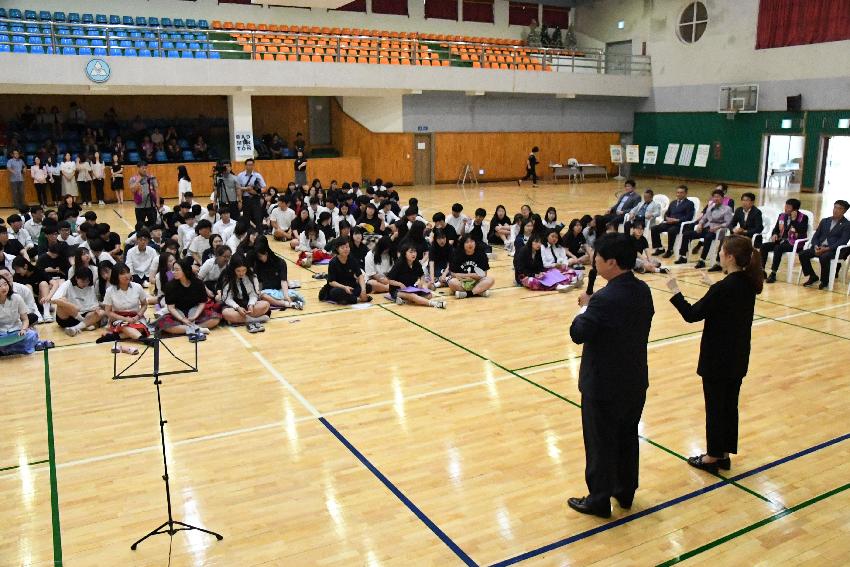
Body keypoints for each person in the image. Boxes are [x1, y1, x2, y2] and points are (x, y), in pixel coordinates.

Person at [567, 233, 654, 518]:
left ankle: (599, 499)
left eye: (599, 259)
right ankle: (625, 491)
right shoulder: (643, 291)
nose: (595, 262)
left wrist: (585, 306)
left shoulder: (604, 299)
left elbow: (578, 333)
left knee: (600, 442)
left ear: (612, 263)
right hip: (634, 379)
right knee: (627, 437)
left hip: (603, 384)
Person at [667, 235, 763, 473]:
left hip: (717, 358)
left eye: (721, 251)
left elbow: (691, 314)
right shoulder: (747, 283)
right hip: (738, 356)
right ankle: (724, 453)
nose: (719, 254)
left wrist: (675, 291)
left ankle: (712, 457)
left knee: (715, 407)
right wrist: (712, 286)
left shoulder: (724, 288)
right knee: (729, 406)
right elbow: (726, 303)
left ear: (729, 256)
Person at [157, 257, 221, 341]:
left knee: (216, 318)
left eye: (176, 270)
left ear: (185, 270)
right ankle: (196, 329)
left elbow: (202, 302)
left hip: (194, 311)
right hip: (178, 312)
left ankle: (189, 328)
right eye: (173, 270)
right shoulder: (170, 286)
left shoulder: (198, 283)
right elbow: (171, 308)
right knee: (163, 323)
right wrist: (182, 319)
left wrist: (195, 316)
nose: (173, 272)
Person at [797, 199, 850, 289]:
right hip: (819, 247)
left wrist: (827, 249)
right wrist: (816, 246)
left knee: (824, 257)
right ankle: (812, 276)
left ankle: (824, 281)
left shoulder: (847, 224)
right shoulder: (825, 221)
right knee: (803, 254)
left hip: (833, 249)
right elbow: (816, 236)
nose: (836, 210)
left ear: (844, 211)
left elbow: (843, 241)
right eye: (835, 207)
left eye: (839, 208)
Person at [675, 189, 733, 268]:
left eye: (718, 197)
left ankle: (702, 260)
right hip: (706, 228)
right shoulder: (710, 207)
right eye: (714, 197)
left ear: (722, 198)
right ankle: (683, 256)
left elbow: (728, 222)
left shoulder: (727, 209)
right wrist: (700, 224)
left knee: (708, 237)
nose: (716, 199)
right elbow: (704, 218)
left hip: (717, 231)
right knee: (686, 234)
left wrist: (717, 227)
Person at [707, 192, 764, 271]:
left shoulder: (757, 212)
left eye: (747, 200)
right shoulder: (739, 210)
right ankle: (719, 263)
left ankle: (738, 266)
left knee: (737, 244)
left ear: (752, 202)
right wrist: (733, 230)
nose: (744, 202)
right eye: (743, 200)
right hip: (739, 235)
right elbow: (731, 224)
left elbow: (759, 228)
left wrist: (745, 231)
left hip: (750, 236)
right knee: (725, 239)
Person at [98, 262, 151, 347]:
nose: (127, 275)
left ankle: (113, 337)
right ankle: (144, 340)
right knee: (125, 326)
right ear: (116, 276)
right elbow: (108, 312)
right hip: (118, 318)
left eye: (128, 272)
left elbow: (144, 304)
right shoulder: (110, 290)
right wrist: (124, 318)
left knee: (140, 328)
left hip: (135, 316)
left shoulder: (137, 287)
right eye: (122, 273)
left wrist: (137, 316)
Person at [0, 276, 52, 356]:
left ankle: (7, 350)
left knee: (31, 334)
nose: (4, 288)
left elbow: (25, 319)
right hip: (2, 334)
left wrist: (24, 329)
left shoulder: (16, 298)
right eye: (0, 286)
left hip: (16, 331)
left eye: (5, 284)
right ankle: (33, 345)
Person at [760, 198, 808, 284]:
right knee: (764, 246)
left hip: (795, 244)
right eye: (785, 206)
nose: (785, 208)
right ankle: (762, 271)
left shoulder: (803, 218)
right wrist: (774, 234)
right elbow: (776, 229)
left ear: (795, 210)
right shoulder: (782, 215)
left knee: (778, 248)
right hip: (782, 241)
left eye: (788, 207)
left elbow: (802, 230)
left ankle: (773, 273)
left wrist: (793, 220)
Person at [219, 254, 271, 333]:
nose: (241, 273)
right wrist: (237, 308)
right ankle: (255, 320)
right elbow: (227, 298)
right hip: (234, 306)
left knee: (266, 304)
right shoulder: (227, 276)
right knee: (226, 313)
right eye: (238, 271)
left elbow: (253, 294)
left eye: (244, 270)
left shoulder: (250, 275)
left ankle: (241, 320)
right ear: (233, 269)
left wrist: (251, 304)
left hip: (247, 303)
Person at [386, 244, 447, 309]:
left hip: (410, 288)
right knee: (412, 296)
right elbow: (388, 280)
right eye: (411, 252)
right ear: (405, 253)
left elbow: (422, 275)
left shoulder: (416, 263)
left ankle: (405, 301)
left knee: (429, 295)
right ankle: (435, 304)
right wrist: (400, 284)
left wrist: (421, 282)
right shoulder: (399, 264)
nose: (413, 254)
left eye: (415, 251)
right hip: (397, 290)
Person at [51, 268, 106, 337]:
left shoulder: (90, 286)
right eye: (83, 281)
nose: (85, 283)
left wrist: (96, 309)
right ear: (76, 278)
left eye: (88, 281)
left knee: (101, 312)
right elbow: (53, 299)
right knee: (62, 300)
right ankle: (86, 324)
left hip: (84, 316)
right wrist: (71, 306)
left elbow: (94, 305)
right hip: (68, 316)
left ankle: (75, 328)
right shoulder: (68, 284)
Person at [251, 237, 302, 310]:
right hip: (267, 292)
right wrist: (258, 291)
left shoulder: (280, 262)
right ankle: (286, 304)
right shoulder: (258, 263)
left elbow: (283, 280)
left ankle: (282, 301)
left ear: (266, 253)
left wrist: (286, 295)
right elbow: (258, 280)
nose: (259, 259)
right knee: (263, 296)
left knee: (295, 296)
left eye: (260, 256)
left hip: (280, 290)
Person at [320, 239, 372, 305]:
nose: (346, 249)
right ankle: (358, 299)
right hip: (339, 287)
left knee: (368, 286)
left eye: (347, 247)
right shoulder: (333, 262)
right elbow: (331, 282)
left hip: (351, 286)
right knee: (335, 292)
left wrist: (363, 290)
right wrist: (344, 287)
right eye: (342, 247)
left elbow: (360, 275)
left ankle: (348, 299)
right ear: (337, 249)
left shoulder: (352, 259)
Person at [651, 185, 695, 258]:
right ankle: (660, 248)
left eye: (681, 192)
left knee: (671, 231)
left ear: (685, 193)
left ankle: (670, 250)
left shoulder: (689, 203)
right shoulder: (673, 203)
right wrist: (667, 218)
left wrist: (677, 220)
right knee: (654, 228)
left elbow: (689, 217)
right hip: (669, 223)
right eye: (677, 192)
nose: (679, 194)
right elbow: (666, 213)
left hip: (680, 225)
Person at [237, 158, 267, 231]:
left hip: (255, 198)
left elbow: (264, 188)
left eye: (251, 165)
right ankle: (247, 233)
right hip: (245, 199)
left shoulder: (257, 175)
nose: (250, 166)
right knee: (246, 217)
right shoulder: (240, 175)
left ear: (253, 165)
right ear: (245, 165)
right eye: (248, 165)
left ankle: (260, 234)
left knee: (258, 217)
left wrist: (257, 191)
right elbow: (237, 188)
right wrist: (246, 189)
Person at [129, 161, 159, 231]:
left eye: (146, 168)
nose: (145, 170)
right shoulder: (133, 179)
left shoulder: (151, 177)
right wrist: (138, 181)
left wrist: (157, 202)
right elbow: (133, 190)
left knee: (153, 225)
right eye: (143, 168)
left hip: (151, 206)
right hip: (139, 207)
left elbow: (157, 190)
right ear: (138, 168)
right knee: (140, 225)